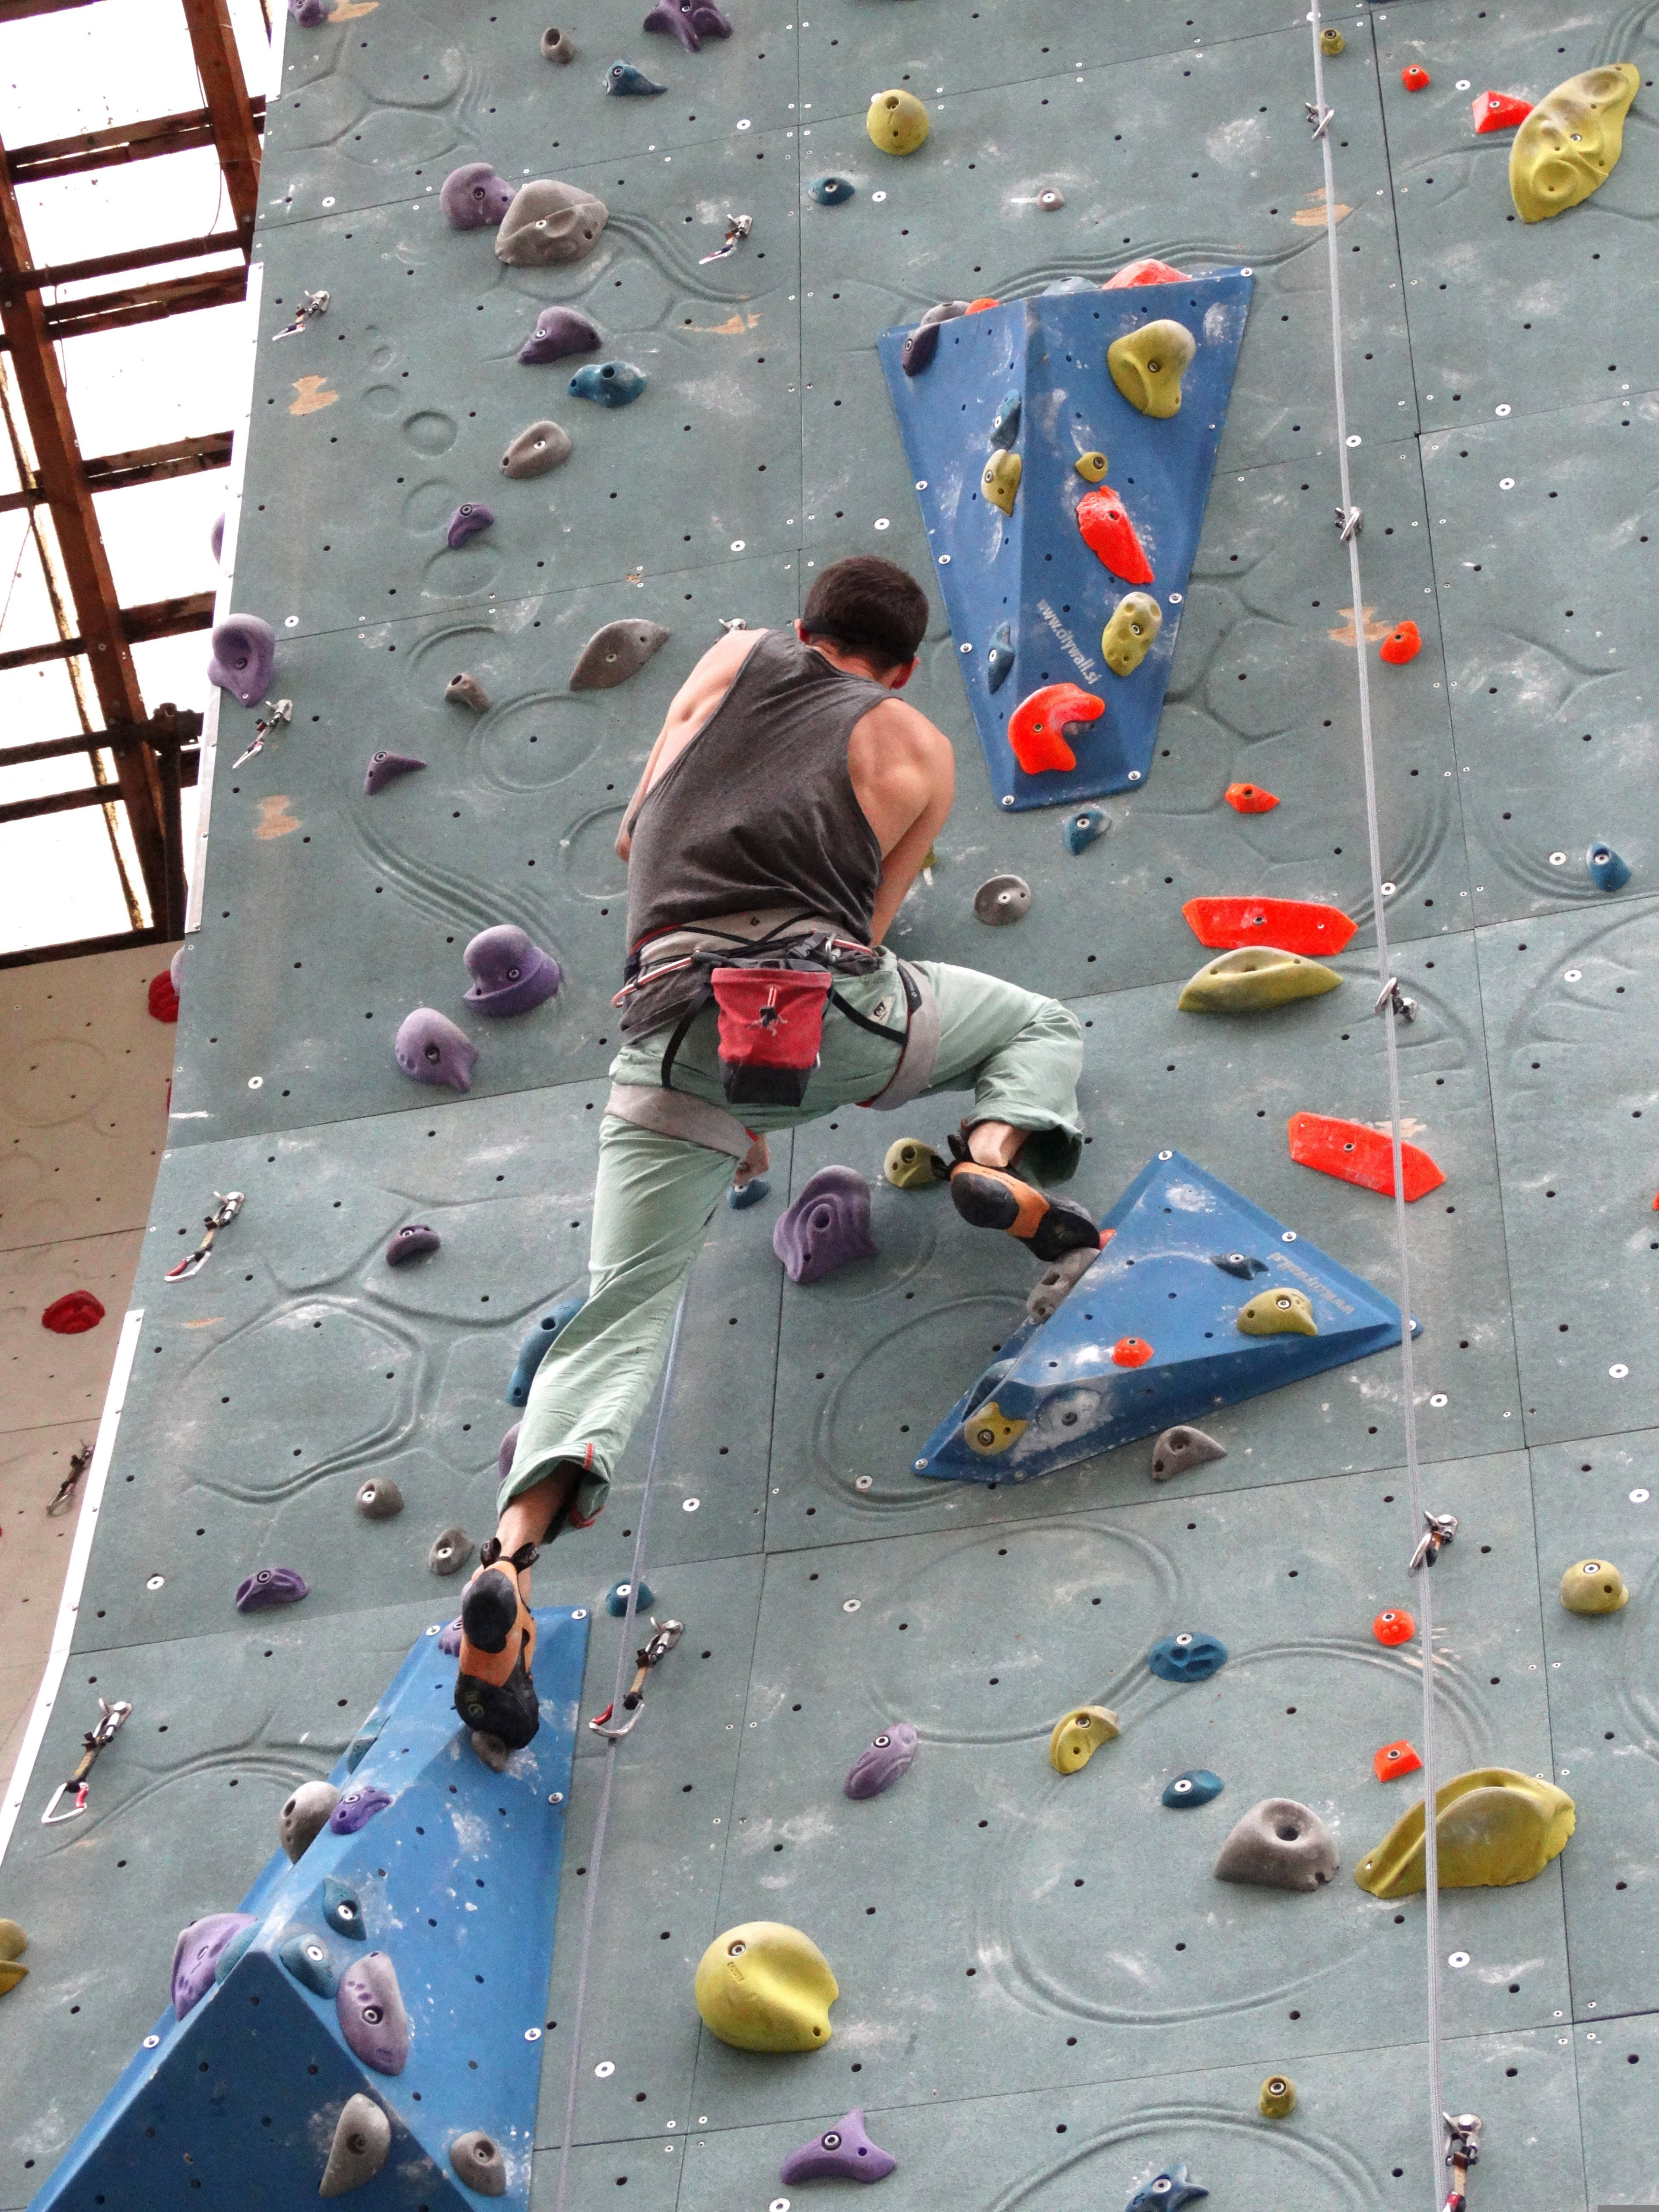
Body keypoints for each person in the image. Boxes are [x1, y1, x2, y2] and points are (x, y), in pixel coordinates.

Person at [453, 555, 1095, 1746]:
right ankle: (996, 1148)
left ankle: (514, 1561)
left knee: (623, 1314)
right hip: (829, 1015)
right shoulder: (921, 751)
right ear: (903, 669)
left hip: (669, 1036)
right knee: (1035, 1026)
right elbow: (866, 931)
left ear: (805, 630)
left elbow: (638, 828)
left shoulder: (733, 655)